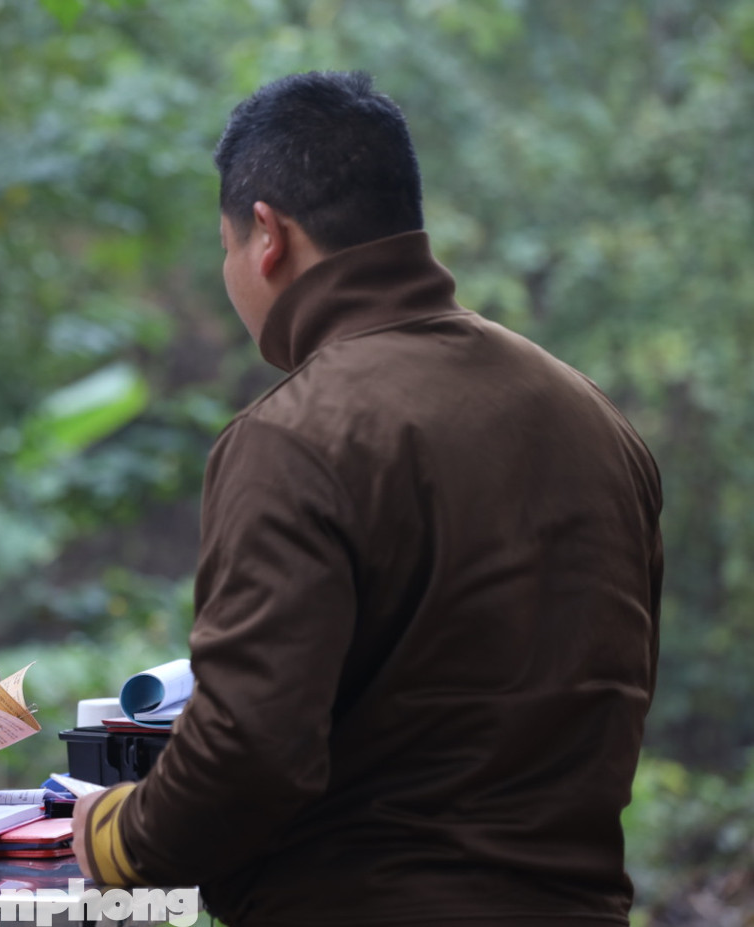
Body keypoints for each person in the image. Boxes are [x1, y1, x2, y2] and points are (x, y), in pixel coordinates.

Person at [73, 71, 663, 926]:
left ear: (268, 235)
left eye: (226, 245)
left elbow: (249, 755)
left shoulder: (296, 435)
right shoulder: (596, 418)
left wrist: (112, 835)